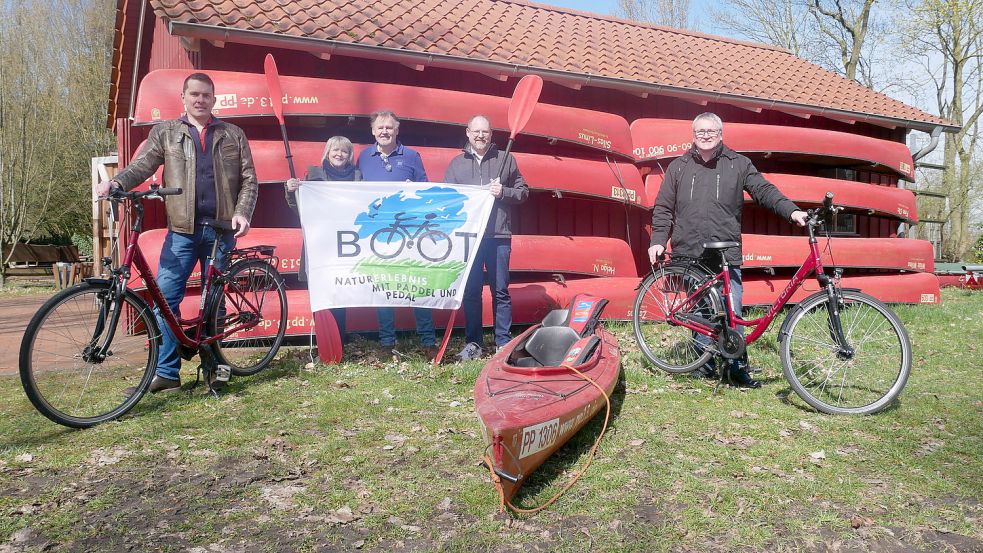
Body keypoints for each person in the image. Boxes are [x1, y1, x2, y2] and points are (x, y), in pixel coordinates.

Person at [95, 72, 258, 393]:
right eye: (194, 94)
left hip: (221, 229)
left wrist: (242, 212)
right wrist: (116, 183)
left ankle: (214, 367)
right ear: (183, 98)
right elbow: (141, 165)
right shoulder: (166, 133)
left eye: (206, 95)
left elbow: (249, 179)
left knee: (215, 304)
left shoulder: (233, 134)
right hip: (182, 231)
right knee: (165, 300)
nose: (200, 100)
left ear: (214, 99)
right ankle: (167, 373)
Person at [647, 112, 808, 388]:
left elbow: (764, 191)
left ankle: (736, 366)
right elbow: (663, 207)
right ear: (693, 135)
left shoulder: (738, 164)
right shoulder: (679, 167)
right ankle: (704, 364)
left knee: (732, 306)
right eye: (700, 131)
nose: (705, 135)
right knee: (701, 309)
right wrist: (658, 239)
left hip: (725, 251)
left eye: (711, 131)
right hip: (690, 250)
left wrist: (792, 212)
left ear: (721, 134)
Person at [444, 115, 528, 360]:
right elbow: (448, 198)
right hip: (469, 238)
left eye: (485, 132)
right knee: (471, 292)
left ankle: (502, 341)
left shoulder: (505, 159)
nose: (480, 136)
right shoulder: (456, 164)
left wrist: (504, 191)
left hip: (498, 235)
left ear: (491, 135)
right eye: (476, 132)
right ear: (468, 133)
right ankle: (474, 343)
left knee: (500, 290)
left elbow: (523, 192)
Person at [356, 111, 437, 357]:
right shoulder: (363, 157)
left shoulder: (412, 156)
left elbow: (426, 190)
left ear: (397, 130)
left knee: (417, 285)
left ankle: (428, 342)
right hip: (379, 234)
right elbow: (352, 191)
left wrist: (416, 190)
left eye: (389, 127)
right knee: (383, 287)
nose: (384, 131)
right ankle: (386, 343)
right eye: (380, 127)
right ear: (373, 131)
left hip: (410, 231)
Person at [286, 136, 360, 343]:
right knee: (321, 298)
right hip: (320, 247)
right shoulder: (313, 176)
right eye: (335, 150)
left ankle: (340, 342)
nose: (339, 154)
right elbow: (299, 208)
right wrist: (292, 192)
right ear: (327, 153)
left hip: (345, 245)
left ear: (349, 155)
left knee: (341, 295)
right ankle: (324, 343)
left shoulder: (357, 177)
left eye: (344, 151)